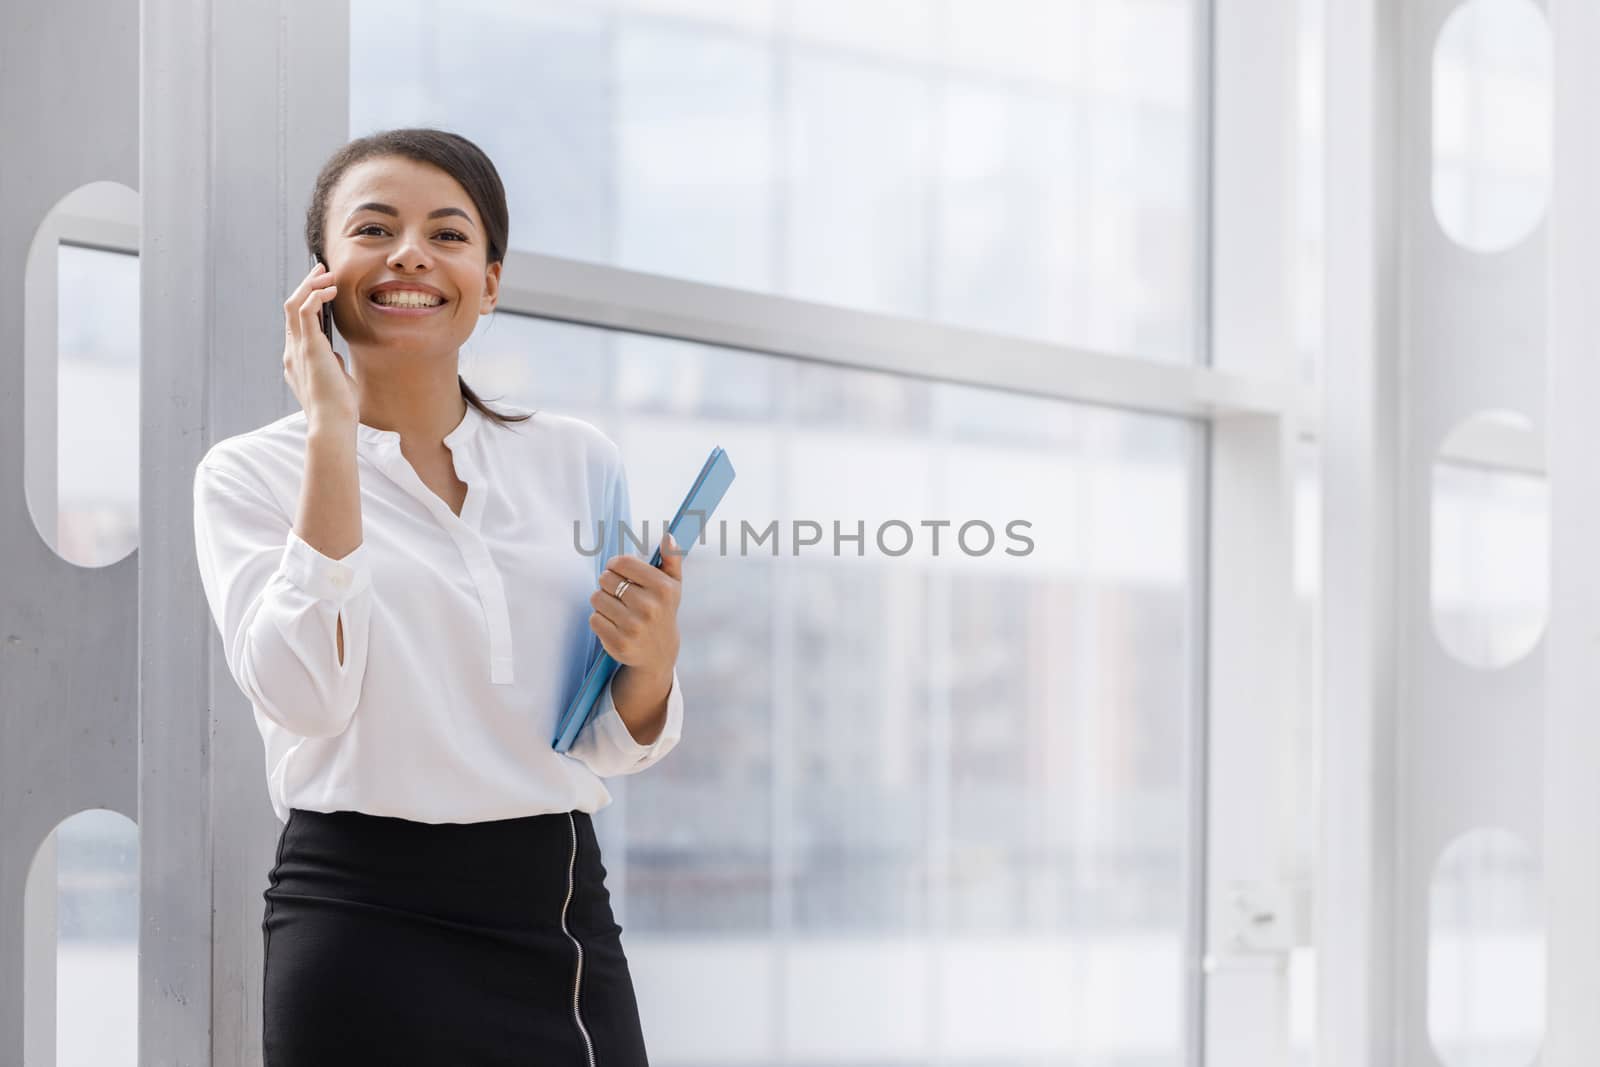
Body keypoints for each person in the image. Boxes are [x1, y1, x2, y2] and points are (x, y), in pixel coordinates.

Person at [191, 127, 685, 1066]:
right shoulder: (246, 476)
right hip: (355, 915)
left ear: (489, 282)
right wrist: (330, 434)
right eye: (374, 228)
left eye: (448, 234)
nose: (410, 252)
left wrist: (653, 663)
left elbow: (611, 740)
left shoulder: (576, 460)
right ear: (324, 275)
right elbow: (306, 696)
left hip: (555, 914)